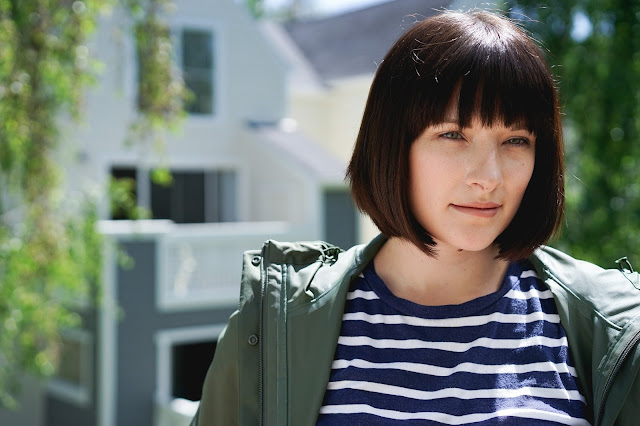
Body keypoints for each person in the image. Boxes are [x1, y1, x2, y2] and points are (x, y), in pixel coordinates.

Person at [190, 9, 640, 426]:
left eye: (516, 141)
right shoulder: (273, 325)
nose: (489, 177)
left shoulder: (611, 329)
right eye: (452, 135)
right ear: (391, 147)